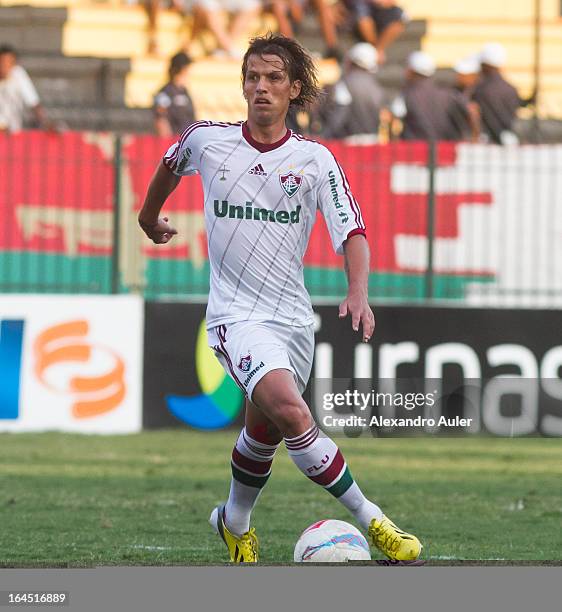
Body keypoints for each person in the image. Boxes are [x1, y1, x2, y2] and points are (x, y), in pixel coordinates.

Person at [138, 34, 422, 564]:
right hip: (234, 317)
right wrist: (148, 216)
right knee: (294, 414)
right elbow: (169, 164)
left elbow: (352, 230)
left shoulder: (314, 160)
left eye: (273, 78)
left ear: (294, 88)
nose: (260, 87)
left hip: (293, 320)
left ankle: (234, 522)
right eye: (252, 77)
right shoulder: (207, 139)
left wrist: (358, 290)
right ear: (242, 83)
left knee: (264, 428)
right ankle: (374, 519)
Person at [391, 51, 478, 142]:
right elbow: (472, 113)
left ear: (411, 71)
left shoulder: (406, 95)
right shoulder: (448, 94)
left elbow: (395, 121)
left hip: (416, 151)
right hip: (446, 150)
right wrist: (472, 140)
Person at [472, 42, 534, 145]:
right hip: (509, 140)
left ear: (487, 65)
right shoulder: (511, 89)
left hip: (488, 142)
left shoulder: (480, 90)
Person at [318, 42, 383, 139]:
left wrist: (324, 136)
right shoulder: (376, 86)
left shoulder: (345, 82)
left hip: (349, 144)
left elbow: (340, 114)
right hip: (373, 141)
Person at [0, 45, 52, 133]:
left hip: (13, 132)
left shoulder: (18, 74)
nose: (5, 66)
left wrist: (45, 122)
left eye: (10, 62)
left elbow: (33, 101)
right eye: (3, 62)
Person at [343, 0, 408, 65]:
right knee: (362, 14)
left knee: (400, 15)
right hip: (358, 9)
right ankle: (375, 50)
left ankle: (376, 50)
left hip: (376, 10)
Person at [153, 51, 196, 136]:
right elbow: (161, 121)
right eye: (186, 69)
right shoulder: (164, 94)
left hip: (187, 142)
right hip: (175, 144)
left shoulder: (184, 92)